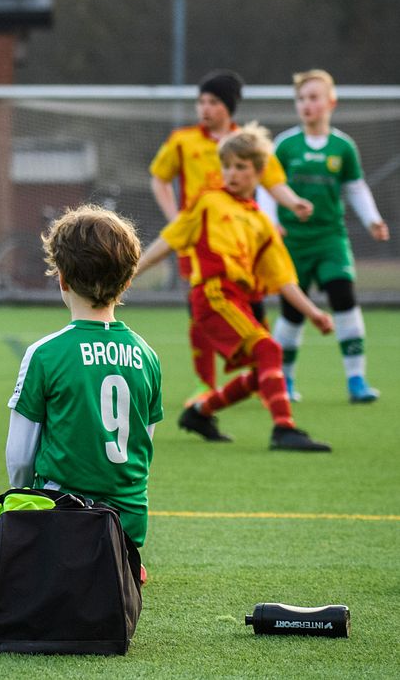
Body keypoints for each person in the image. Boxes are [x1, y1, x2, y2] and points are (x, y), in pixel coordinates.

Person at [138, 124, 334, 452]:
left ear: (258, 171)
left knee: (263, 371)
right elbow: (169, 240)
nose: (231, 173)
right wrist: (132, 271)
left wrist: (314, 313)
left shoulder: (261, 222)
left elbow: (284, 279)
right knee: (270, 350)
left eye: (240, 166)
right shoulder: (209, 201)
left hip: (237, 299)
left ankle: (199, 413)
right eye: (226, 166)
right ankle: (284, 429)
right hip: (213, 294)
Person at [4, 205, 161, 550]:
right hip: (127, 527)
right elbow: (142, 449)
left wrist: (21, 506)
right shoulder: (147, 356)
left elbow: (20, 458)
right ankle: (119, 561)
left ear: (61, 277)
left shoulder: (45, 353)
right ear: (128, 281)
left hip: (60, 518)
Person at [148, 70, 313, 398]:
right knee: (199, 309)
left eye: (212, 102)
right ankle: (205, 384)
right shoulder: (182, 140)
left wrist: (294, 203)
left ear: (229, 106)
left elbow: (273, 181)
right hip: (200, 242)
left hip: (241, 242)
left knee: (252, 304)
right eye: (200, 102)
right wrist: (177, 220)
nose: (204, 108)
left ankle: (263, 371)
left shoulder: (247, 144)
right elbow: (159, 179)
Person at [266, 69, 390, 404]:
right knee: (293, 312)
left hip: (331, 239)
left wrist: (373, 220)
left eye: (313, 97)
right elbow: (268, 186)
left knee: (344, 298)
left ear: (331, 102)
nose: (306, 104)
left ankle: (356, 380)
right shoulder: (285, 145)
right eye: (301, 99)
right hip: (292, 242)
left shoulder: (343, 147)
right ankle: (285, 381)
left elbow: (355, 187)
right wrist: (270, 222)